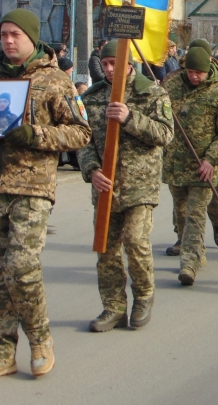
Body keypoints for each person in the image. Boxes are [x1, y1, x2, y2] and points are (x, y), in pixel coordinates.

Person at [0, 9, 91, 382]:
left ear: (32, 37)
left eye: (15, 34)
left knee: (21, 267)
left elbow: (81, 133)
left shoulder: (54, 82)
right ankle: (2, 351)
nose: (8, 41)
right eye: (3, 35)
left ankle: (40, 339)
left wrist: (38, 136)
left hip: (32, 189)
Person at [78, 40, 173, 331]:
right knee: (105, 249)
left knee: (135, 240)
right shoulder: (93, 97)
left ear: (128, 64)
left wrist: (130, 118)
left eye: (114, 64)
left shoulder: (151, 93)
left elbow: (165, 134)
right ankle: (113, 306)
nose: (109, 70)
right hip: (106, 186)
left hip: (139, 185)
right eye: (105, 64)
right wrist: (91, 170)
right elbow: (84, 140)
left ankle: (143, 296)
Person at [161, 47, 218, 285]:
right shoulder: (170, 88)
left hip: (204, 166)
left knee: (195, 213)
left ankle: (189, 262)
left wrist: (211, 159)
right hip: (176, 164)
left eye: (200, 73)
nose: (195, 77)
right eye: (191, 72)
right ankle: (195, 249)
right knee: (181, 213)